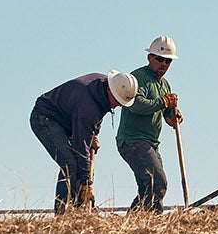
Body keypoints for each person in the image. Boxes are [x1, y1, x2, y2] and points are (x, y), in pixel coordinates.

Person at [31, 70, 138, 213]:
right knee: (70, 164)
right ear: (110, 90)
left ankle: (77, 210)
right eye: (118, 101)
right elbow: (80, 148)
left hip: (68, 119)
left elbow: (100, 112)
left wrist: (94, 133)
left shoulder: (104, 85)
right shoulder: (87, 108)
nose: (118, 105)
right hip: (44, 118)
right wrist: (87, 183)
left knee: (79, 166)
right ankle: (62, 216)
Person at [117, 36, 183, 212]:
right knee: (157, 182)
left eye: (168, 61)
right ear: (150, 58)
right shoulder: (138, 78)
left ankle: (144, 223)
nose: (163, 64)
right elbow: (136, 106)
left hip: (151, 143)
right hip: (133, 140)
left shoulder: (164, 84)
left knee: (148, 188)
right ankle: (143, 220)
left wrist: (173, 116)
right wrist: (162, 102)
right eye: (160, 59)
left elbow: (166, 113)